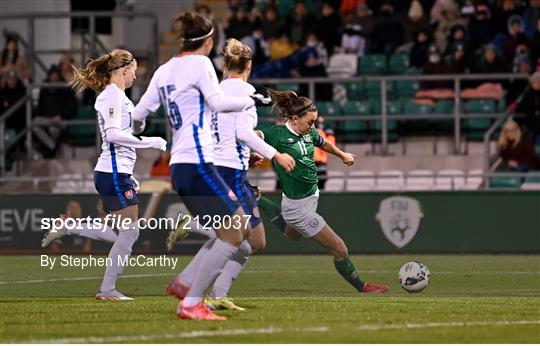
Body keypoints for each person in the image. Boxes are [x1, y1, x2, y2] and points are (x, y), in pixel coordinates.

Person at [132, 11, 272, 321]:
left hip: (179, 165)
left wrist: (140, 131)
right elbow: (220, 102)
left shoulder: (163, 70)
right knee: (236, 233)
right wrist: (252, 101)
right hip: (197, 161)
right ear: (208, 41)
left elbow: (139, 117)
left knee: (237, 229)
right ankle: (191, 301)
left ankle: (185, 285)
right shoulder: (200, 65)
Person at [165, 39, 295, 311]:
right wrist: (276, 154)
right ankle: (192, 288)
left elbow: (221, 134)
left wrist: (246, 154)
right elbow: (244, 133)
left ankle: (199, 282)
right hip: (229, 172)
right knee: (238, 236)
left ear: (224, 66)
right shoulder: (246, 94)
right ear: (249, 65)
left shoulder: (213, 93)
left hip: (219, 166)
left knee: (253, 241)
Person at [41, 49, 167, 301]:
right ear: (124, 70)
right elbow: (112, 135)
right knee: (130, 232)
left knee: (126, 232)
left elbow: (121, 138)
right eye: (134, 71)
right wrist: (149, 141)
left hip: (118, 172)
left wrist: (130, 171)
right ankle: (107, 289)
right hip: (112, 172)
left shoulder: (120, 97)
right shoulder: (111, 97)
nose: (135, 76)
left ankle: (71, 227)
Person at [256, 90, 389, 294]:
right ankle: (361, 286)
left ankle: (258, 198)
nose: (313, 126)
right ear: (294, 118)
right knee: (339, 248)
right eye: (310, 122)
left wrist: (342, 154)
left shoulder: (309, 132)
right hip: (298, 208)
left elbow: (323, 142)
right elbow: (255, 136)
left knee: (293, 235)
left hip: (307, 197)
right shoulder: (278, 134)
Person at [33, 64, 78, 158]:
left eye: (56, 74)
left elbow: (73, 107)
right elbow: (40, 107)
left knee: (54, 130)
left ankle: (50, 150)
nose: (54, 77)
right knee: (34, 124)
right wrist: (47, 117)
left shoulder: (66, 88)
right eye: (52, 74)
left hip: (62, 119)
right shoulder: (45, 88)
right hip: (47, 119)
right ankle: (53, 147)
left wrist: (61, 116)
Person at [514, 72, 540, 144]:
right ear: (531, 83)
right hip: (530, 126)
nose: (537, 83)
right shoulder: (527, 95)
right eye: (535, 81)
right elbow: (521, 109)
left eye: (539, 81)